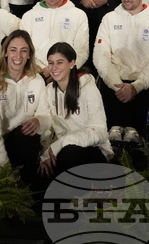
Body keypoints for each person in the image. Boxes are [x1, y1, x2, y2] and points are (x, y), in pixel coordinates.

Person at [93, 0, 149, 143]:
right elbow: (100, 55)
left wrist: (136, 86)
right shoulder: (109, 19)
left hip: (142, 85)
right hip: (113, 84)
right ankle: (115, 128)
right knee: (106, 77)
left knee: (148, 85)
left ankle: (134, 131)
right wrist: (116, 84)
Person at [0, 30, 47, 188]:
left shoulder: (36, 80)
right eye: (13, 50)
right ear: (6, 52)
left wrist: (40, 121)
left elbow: (45, 113)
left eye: (23, 50)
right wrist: (5, 171)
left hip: (18, 140)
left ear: (29, 54)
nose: (18, 56)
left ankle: (27, 189)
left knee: (29, 134)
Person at [37, 42, 112, 176]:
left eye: (60, 62)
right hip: (60, 150)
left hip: (93, 150)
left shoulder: (88, 87)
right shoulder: (48, 90)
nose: (54, 68)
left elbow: (100, 132)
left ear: (72, 63)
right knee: (40, 176)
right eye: (50, 63)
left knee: (69, 153)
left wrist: (61, 144)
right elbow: (47, 129)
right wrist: (45, 154)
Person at [20, 0, 90, 65]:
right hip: (36, 71)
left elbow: (82, 50)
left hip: (67, 72)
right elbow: (25, 48)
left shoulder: (79, 15)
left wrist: (65, 69)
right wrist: (42, 69)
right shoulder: (29, 16)